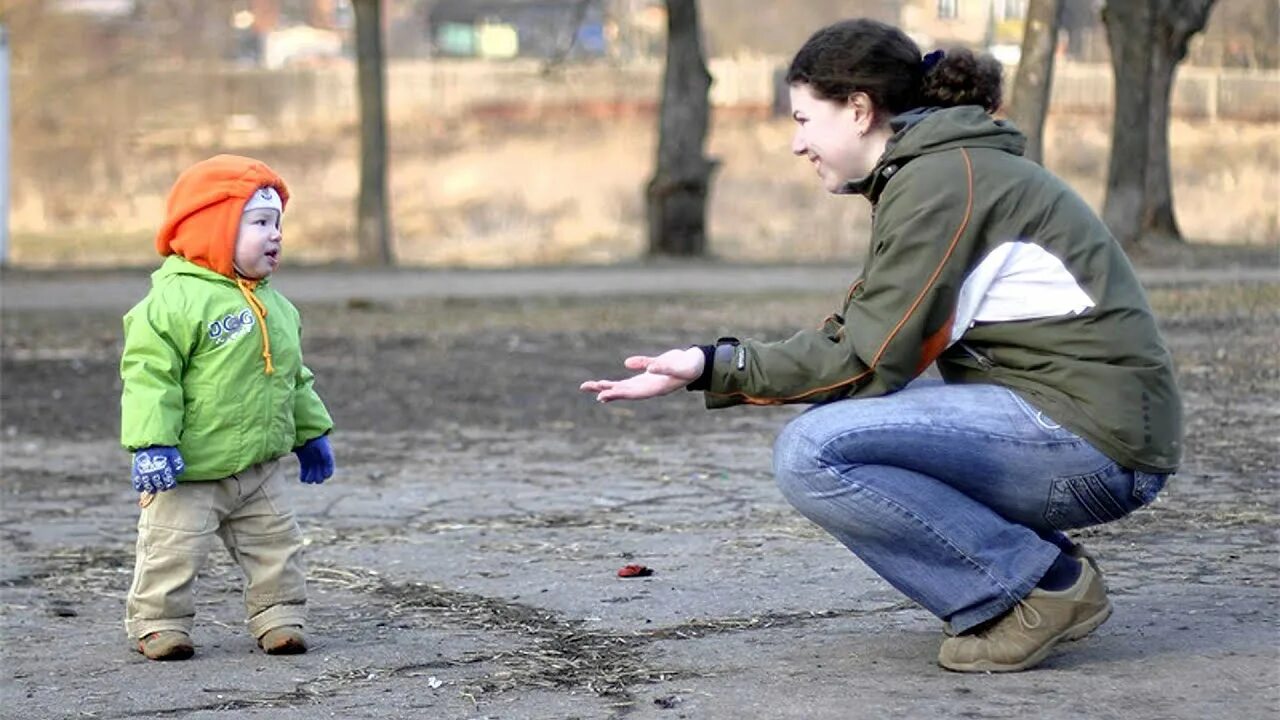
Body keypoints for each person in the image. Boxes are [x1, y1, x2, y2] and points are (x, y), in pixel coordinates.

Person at [580, 19, 1182, 673]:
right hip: (1084, 432)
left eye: (805, 119)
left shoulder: (942, 181)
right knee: (839, 435)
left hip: (1095, 444)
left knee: (814, 450)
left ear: (860, 110)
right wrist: (706, 363)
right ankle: (1040, 568)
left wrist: (713, 365)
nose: (796, 143)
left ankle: (1034, 588)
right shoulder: (940, 173)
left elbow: (866, 360)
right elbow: (864, 340)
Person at [120, 154, 336, 661]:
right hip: (189, 469)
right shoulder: (173, 303)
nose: (275, 235)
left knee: (278, 546)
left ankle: (279, 616)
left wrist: (311, 433)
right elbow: (149, 377)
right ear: (213, 228)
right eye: (259, 222)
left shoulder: (277, 307)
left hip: (258, 468)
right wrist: (152, 443)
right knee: (172, 551)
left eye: (278, 223)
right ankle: (159, 622)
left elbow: (292, 378)